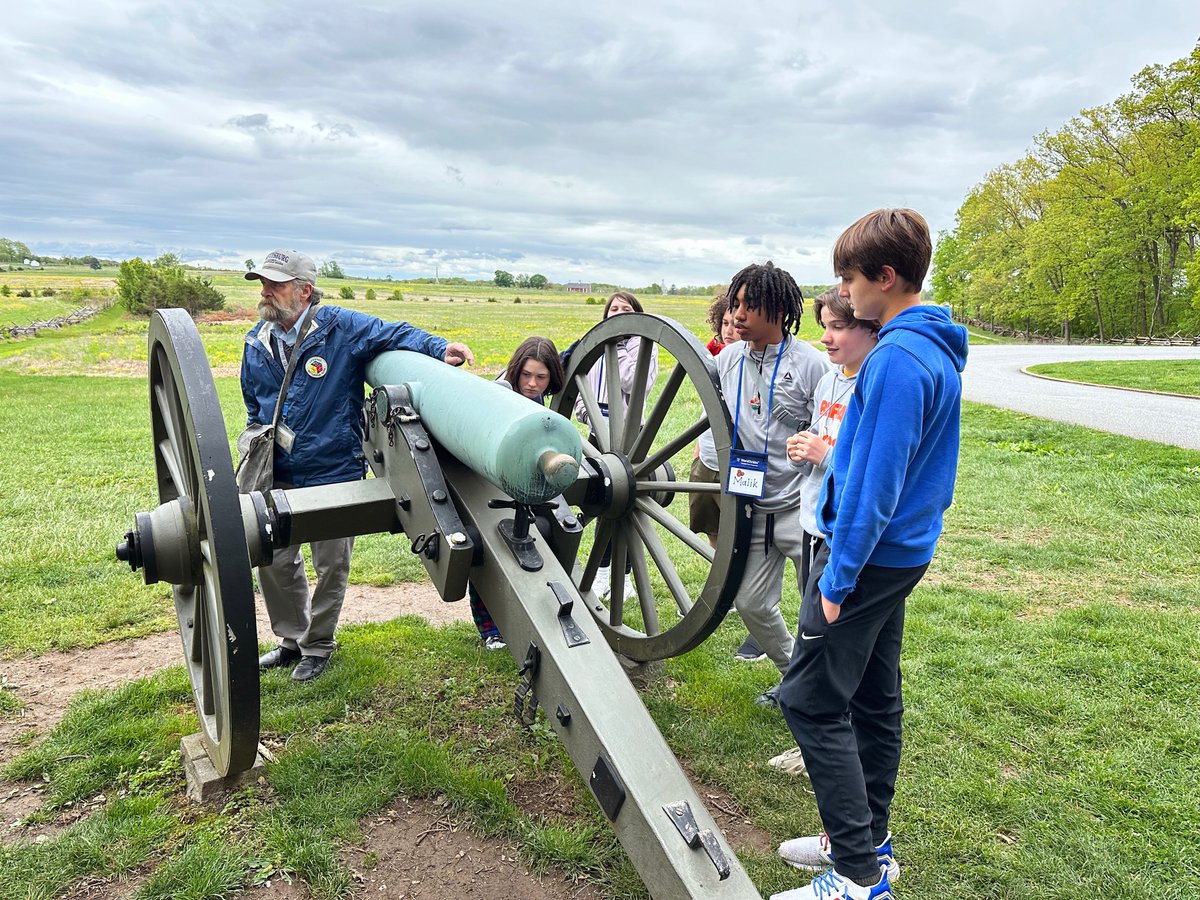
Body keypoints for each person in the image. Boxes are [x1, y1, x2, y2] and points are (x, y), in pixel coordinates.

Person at [771, 209, 968, 900]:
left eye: (849, 279)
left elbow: (874, 487)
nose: (844, 294)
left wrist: (839, 578)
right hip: (900, 554)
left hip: (868, 556)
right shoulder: (931, 346)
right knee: (877, 698)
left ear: (885, 277)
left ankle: (858, 877)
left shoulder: (897, 361)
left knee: (812, 701)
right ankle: (865, 839)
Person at [243, 249, 474, 682]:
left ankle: (318, 645)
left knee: (331, 563)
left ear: (304, 290)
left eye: (274, 284)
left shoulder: (340, 328)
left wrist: (441, 347)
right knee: (274, 557)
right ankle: (292, 640)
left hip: (333, 467)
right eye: (263, 283)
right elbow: (254, 402)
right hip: (278, 467)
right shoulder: (258, 341)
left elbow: (394, 333)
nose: (265, 292)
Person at [767, 287, 880, 776]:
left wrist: (824, 455)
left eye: (837, 326)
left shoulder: (873, 385)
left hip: (843, 535)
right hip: (813, 520)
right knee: (825, 646)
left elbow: (875, 473)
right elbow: (826, 442)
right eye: (824, 326)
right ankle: (824, 739)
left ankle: (821, 743)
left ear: (867, 329)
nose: (826, 338)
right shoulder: (833, 380)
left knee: (826, 651)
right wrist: (805, 448)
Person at [715, 262, 829, 702]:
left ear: (779, 310)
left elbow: (829, 427)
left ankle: (818, 691)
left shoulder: (810, 365)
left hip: (799, 505)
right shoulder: (727, 360)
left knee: (814, 610)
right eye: (735, 304)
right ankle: (793, 677)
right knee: (752, 603)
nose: (738, 315)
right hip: (753, 504)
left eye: (750, 306)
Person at [468, 336, 565, 650]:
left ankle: (528, 617)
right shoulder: (499, 393)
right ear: (515, 371)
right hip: (484, 481)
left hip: (521, 485)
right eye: (526, 375)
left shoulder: (537, 400)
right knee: (486, 554)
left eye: (541, 377)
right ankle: (490, 630)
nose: (532, 383)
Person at [572, 291, 658, 599]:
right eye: (613, 309)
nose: (618, 312)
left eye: (626, 309)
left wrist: (619, 347)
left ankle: (624, 576)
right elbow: (581, 386)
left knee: (629, 502)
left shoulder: (641, 347)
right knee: (605, 496)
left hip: (631, 435)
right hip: (600, 431)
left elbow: (635, 384)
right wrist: (589, 414)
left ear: (636, 314)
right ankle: (603, 572)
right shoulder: (595, 346)